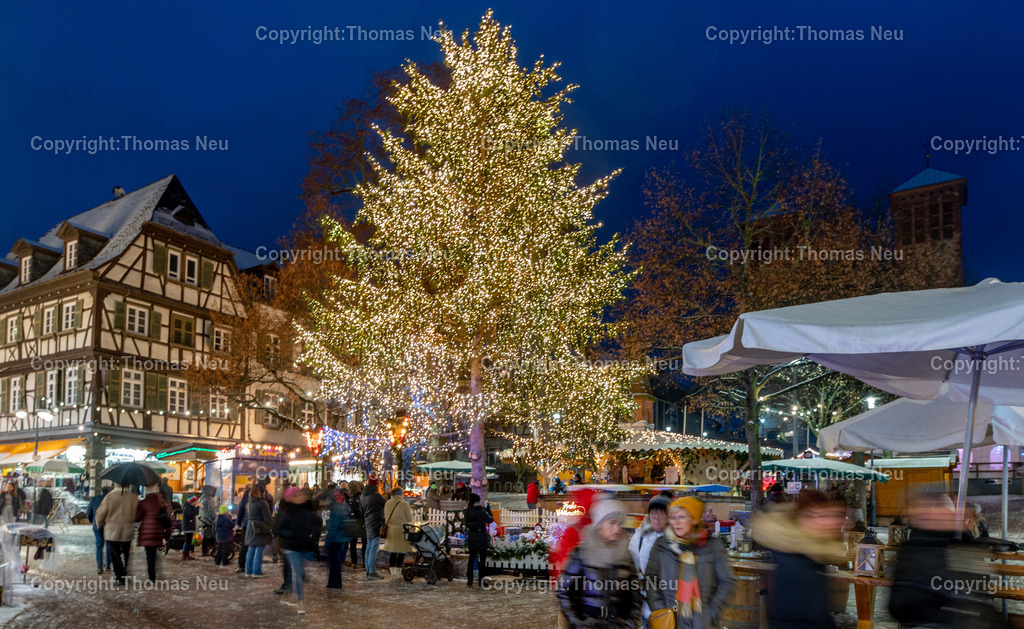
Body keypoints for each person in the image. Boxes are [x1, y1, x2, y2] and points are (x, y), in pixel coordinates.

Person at [889, 491, 1001, 628]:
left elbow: (975, 583)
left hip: (937, 616)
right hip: (938, 618)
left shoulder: (956, 537)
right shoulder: (955, 536)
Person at [751, 489, 848, 629]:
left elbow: (820, 613)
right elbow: (802, 616)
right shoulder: (795, 559)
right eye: (819, 516)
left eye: (828, 515)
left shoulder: (811, 553)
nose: (826, 522)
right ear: (803, 518)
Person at [645, 496, 736, 629]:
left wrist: (711, 613)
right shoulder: (661, 545)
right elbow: (650, 579)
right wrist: (659, 609)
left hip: (702, 623)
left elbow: (728, 582)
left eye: (681, 517)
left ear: (694, 519)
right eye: (673, 517)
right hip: (670, 622)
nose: (676, 522)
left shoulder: (713, 547)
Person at [556, 497, 642, 628]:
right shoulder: (582, 553)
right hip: (589, 623)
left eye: (619, 524)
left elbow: (634, 593)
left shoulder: (624, 554)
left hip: (617, 624)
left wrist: (630, 622)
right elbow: (563, 591)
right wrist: (578, 623)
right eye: (612, 523)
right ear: (599, 524)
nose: (617, 529)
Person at [628, 492, 671, 626]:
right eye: (653, 514)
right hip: (647, 602)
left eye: (662, 515)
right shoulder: (640, 536)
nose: (657, 519)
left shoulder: (675, 537)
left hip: (671, 600)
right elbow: (631, 565)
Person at [276, 487, 321, 614]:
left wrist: (313, 536)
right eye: (297, 496)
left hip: (303, 546)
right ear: (292, 499)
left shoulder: (308, 511)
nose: (300, 497)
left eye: (302, 495)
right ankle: (300, 602)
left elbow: (317, 524)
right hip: (290, 547)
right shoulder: (288, 512)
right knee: (298, 572)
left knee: (296, 572)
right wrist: (291, 534)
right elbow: (278, 529)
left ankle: (287, 593)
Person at [95, 483, 139, 586]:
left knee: (115, 555)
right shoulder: (133, 497)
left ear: (116, 484)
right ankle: (124, 572)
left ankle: (120, 576)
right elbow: (137, 515)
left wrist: (99, 525)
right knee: (126, 553)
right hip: (128, 530)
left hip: (112, 531)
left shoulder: (110, 496)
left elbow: (100, 513)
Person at [136, 485, 171, 583]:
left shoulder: (144, 502)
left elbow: (137, 518)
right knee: (154, 553)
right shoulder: (161, 501)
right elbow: (168, 518)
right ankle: (154, 572)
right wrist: (168, 532)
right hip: (158, 531)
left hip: (146, 532)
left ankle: (151, 575)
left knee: (149, 554)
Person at [325, 484, 354, 589]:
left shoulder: (335, 508)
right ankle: (334, 582)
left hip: (336, 539)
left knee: (334, 563)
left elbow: (334, 525)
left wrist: (328, 540)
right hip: (342, 538)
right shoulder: (342, 506)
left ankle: (335, 583)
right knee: (336, 562)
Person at [383, 486, 414, 581]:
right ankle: (398, 574)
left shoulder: (387, 503)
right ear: (401, 494)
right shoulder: (404, 504)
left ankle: (393, 574)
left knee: (393, 552)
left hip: (390, 531)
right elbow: (409, 519)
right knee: (401, 553)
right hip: (401, 531)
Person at [464, 493, 494, 587]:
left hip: (472, 536)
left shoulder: (467, 511)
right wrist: (488, 510)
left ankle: (470, 580)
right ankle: (481, 581)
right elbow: (490, 520)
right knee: (482, 560)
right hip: (481, 537)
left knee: (471, 559)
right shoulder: (482, 511)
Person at [244, 484, 273, 578]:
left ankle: (248, 571)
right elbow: (267, 517)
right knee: (259, 550)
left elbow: (246, 517)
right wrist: (272, 525)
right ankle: (256, 571)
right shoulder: (262, 503)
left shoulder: (248, 503)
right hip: (260, 528)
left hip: (250, 528)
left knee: (251, 549)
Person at [360, 477, 386, 580]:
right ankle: (372, 571)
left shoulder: (363, 496)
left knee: (369, 547)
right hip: (376, 523)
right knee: (374, 548)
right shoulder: (376, 496)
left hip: (368, 523)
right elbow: (386, 503)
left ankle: (368, 569)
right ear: (376, 485)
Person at [86, 486, 112, 574]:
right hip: (108, 526)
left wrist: (92, 521)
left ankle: (99, 566)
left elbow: (88, 512)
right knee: (108, 545)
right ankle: (108, 564)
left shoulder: (94, 499)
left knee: (99, 546)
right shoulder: (111, 500)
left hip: (96, 525)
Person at [346, 481, 365, 567]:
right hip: (362, 522)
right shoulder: (363, 497)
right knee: (365, 542)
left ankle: (354, 562)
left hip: (352, 522)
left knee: (353, 543)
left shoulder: (348, 497)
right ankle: (365, 562)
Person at [235, 481, 252, 573]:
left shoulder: (245, 500)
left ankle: (241, 566)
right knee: (252, 546)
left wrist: (238, 523)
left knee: (244, 545)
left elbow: (240, 511)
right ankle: (250, 566)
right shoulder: (256, 499)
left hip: (245, 524)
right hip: (253, 525)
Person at [198, 486, 217, 556]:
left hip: (203, 519)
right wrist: (215, 518)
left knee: (206, 536)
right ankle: (209, 550)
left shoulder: (202, 498)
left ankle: (205, 550)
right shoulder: (209, 499)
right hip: (208, 520)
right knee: (209, 536)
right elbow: (212, 510)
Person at [181, 495, 199, 561]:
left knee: (188, 541)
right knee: (187, 541)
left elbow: (196, 513)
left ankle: (186, 554)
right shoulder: (187, 507)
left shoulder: (190, 507)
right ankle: (185, 555)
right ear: (192, 501)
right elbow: (191, 514)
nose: (197, 502)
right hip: (187, 527)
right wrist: (197, 507)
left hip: (189, 527)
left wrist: (197, 507)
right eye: (195, 501)